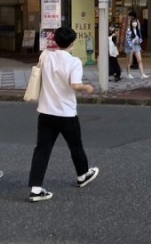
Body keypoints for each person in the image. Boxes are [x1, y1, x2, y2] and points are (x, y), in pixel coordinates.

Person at [27, 26, 99, 202]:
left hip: (45, 111)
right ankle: (82, 175)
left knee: (42, 149)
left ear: (56, 41)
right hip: (66, 113)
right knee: (75, 146)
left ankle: (36, 189)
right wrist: (87, 87)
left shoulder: (45, 55)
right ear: (72, 43)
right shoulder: (74, 62)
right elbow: (75, 85)